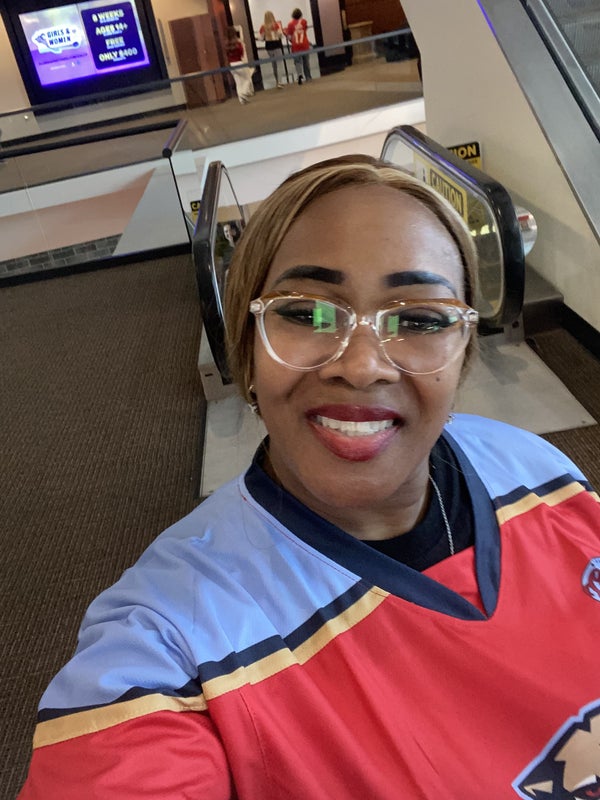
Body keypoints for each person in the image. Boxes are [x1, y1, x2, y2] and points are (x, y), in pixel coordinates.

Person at [18, 156, 600, 798]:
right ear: (246, 344)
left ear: (462, 351)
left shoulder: (533, 466)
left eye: (419, 320)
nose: (362, 366)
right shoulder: (174, 640)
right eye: (307, 314)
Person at [225, 26, 254, 104]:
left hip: (231, 64)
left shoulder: (226, 44)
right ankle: (244, 93)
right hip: (239, 63)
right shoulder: (238, 43)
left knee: (238, 82)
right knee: (247, 78)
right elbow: (241, 53)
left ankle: (241, 99)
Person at [285, 7, 312, 84]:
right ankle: (308, 77)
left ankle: (300, 75)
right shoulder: (304, 22)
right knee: (306, 61)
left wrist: (287, 35)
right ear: (300, 14)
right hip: (304, 44)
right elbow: (305, 30)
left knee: (297, 62)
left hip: (295, 46)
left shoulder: (290, 24)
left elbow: (289, 37)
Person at [259, 10, 285, 88]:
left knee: (274, 65)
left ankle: (277, 81)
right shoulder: (276, 25)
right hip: (277, 45)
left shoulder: (263, 27)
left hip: (269, 46)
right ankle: (280, 82)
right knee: (279, 64)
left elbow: (261, 38)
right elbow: (281, 35)